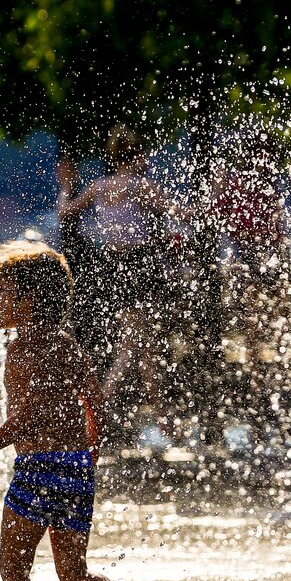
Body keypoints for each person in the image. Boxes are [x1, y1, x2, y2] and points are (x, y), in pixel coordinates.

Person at [0, 242, 165, 581]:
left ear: (28, 301)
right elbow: (95, 402)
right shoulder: (68, 345)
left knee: (13, 567)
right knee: (73, 572)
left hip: (38, 470)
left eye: (4, 294)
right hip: (75, 468)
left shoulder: (23, 348)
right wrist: (90, 453)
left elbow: (26, 417)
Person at [58, 125, 181, 442]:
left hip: (114, 267)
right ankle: (96, 408)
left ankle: (162, 417)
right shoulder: (140, 187)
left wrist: (66, 186)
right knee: (134, 347)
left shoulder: (99, 188)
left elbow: (65, 213)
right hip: (139, 266)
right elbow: (176, 210)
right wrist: (210, 207)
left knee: (143, 347)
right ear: (137, 155)